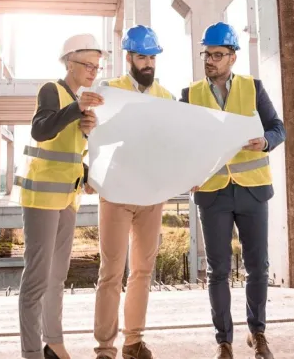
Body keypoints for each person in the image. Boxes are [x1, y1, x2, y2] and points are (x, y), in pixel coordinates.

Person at [180, 22, 286, 359]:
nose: (209, 60)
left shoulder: (253, 88)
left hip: (252, 190)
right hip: (213, 193)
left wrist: (266, 141)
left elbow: (278, 128)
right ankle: (223, 341)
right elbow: (182, 143)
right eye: (206, 54)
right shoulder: (190, 94)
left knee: (258, 267)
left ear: (232, 57)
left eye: (217, 54)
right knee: (219, 271)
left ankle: (258, 334)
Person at [13, 33, 106, 359]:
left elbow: (67, 153)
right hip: (41, 199)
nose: (93, 71)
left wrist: (87, 171)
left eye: (97, 66)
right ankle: (31, 352)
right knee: (37, 279)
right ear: (69, 61)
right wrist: (75, 109)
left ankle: (53, 343)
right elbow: (41, 130)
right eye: (87, 64)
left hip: (67, 199)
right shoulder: (51, 90)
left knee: (56, 277)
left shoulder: (77, 101)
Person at [93, 25, 174, 359]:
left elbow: (173, 143)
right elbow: (93, 134)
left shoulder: (166, 97)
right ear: (129, 57)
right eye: (142, 56)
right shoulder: (109, 90)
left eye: (152, 57)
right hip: (116, 192)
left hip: (151, 195)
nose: (148, 64)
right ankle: (104, 348)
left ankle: (133, 342)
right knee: (111, 272)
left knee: (142, 271)